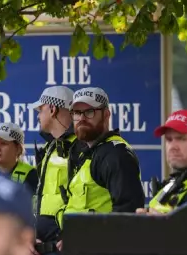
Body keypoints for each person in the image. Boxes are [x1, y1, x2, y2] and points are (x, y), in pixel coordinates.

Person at [57, 87, 144, 229]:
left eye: (89, 112)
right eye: (77, 113)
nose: (82, 118)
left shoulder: (116, 154)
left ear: (106, 115)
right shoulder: (87, 152)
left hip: (100, 249)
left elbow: (127, 215)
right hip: (79, 247)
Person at [28, 86, 79, 255]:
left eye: (40, 110)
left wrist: (76, 234)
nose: (38, 116)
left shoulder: (80, 148)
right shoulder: (50, 148)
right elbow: (39, 201)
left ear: (52, 109)